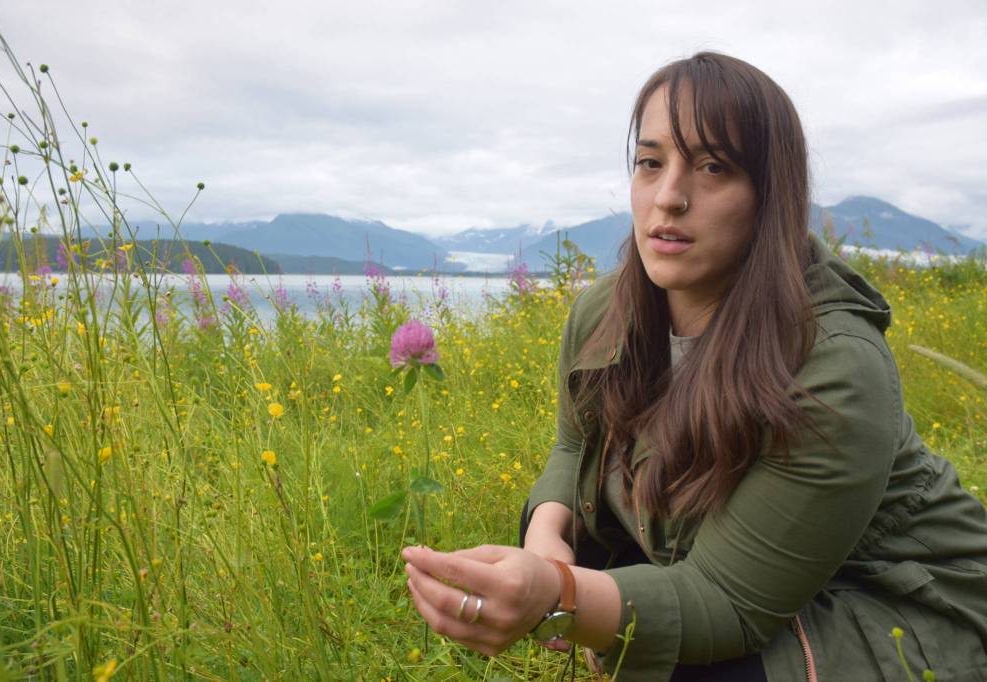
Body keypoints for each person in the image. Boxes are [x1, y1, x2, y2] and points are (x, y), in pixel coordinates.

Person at [402, 52, 987, 681]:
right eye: (650, 163)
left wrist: (559, 596)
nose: (670, 198)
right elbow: (575, 447)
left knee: (691, 659)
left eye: (713, 167)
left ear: (770, 195)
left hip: (894, 597)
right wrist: (547, 537)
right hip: (752, 565)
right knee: (594, 545)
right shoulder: (606, 309)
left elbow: (729, 604)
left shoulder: (835, 362)